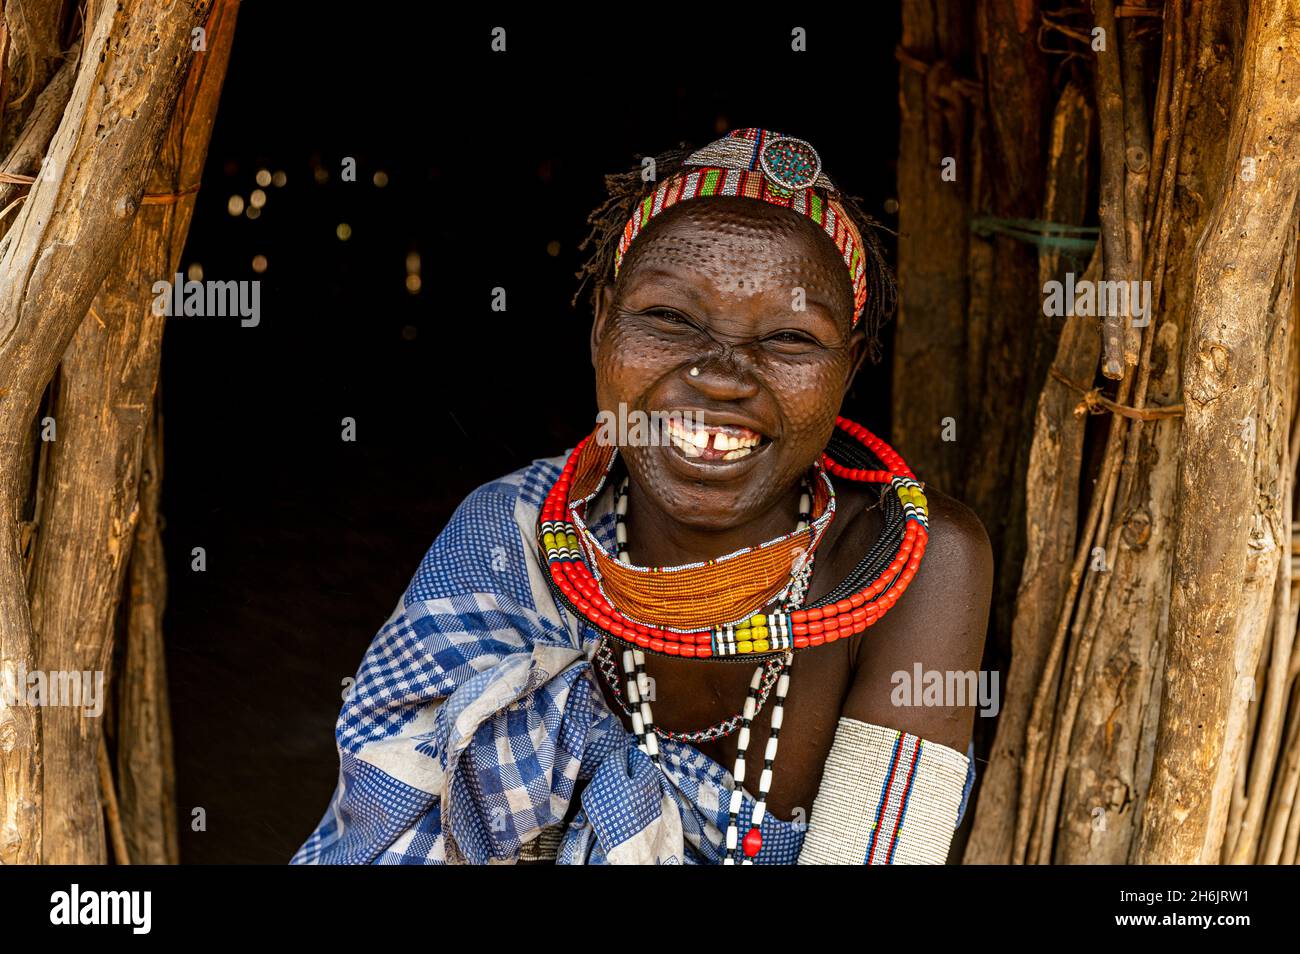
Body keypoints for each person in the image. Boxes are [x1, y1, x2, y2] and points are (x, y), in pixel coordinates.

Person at [292, 128, 993, 865]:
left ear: (846, 371)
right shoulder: (511, 536)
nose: (723, 376)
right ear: (602, 326)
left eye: (789, 337)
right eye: (670, 319)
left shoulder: (916, 568)